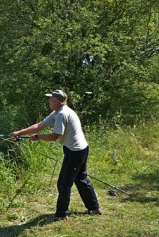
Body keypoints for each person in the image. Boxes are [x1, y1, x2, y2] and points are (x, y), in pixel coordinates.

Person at [10, 89, 101, 219]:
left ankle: (61, 214)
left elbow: (54, 136)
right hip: (78, 149)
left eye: (50, 99)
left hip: (76, 151)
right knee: (80, 179)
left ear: (57, 102)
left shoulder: (62, 114)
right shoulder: (57, 112)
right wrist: (18, 133)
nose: (49, 101)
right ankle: (94, 208)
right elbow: (39, 125)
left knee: (64, 183)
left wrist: (38, 137)